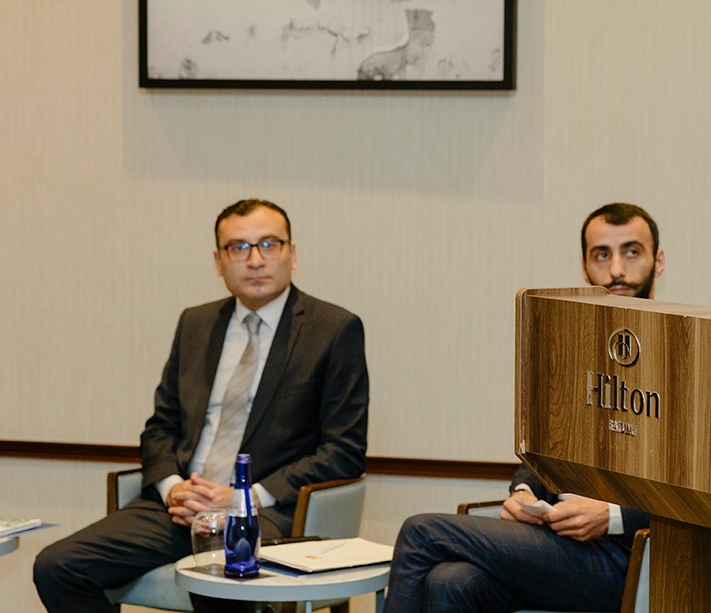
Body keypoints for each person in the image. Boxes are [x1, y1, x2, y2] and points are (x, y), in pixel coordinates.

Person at [34, 199, 369, 613]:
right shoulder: (196, 324)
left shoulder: (332, 329)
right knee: (58, 566)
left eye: (269, 244)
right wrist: (175, 489)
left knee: (218, 570)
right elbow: (161, 427)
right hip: (180, 507)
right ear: (219, 262)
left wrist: (242, 498)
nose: (255, 260)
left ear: (292, 254)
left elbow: (343, 450)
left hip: (268, 512)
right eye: (238, 247)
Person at [385, 202, 662, 613]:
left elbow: (700, 497)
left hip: (629, 556)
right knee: (450, 582)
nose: (617, 269)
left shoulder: (678, 355)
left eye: (632, 252)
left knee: (421, 532)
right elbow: (543, 449)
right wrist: (524, 492)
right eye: (602, 254)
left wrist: (613, 515)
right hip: (555, 544)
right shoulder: (577, 351)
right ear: (584, 267)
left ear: (658, 261)